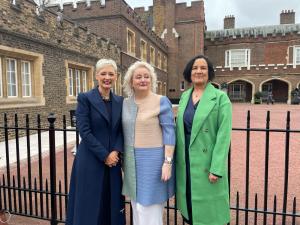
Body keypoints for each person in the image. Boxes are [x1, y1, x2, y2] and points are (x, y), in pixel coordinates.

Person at [66, 59, 125, 225]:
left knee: (111, 201)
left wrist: (115, 151)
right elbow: (84, 131)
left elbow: (122, 129)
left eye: (111, 74)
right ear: (96, 75)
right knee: (89, 202)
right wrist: (104, 155)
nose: (107, 77)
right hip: (91, 158)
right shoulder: (85, 98)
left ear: (116, 77)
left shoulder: (120, 101)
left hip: (113, 160)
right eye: (103, 73)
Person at [176, 55, 232, 225]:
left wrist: (216, 168)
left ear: (209, 73)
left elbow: (224, 136)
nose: (198, 71)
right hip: (185, 161)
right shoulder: (185, 97)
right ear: (189, 72)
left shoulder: (220, 98)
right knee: (190, 208)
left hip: (207, 164)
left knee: (210, 213)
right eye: (194, 68)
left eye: (203, 68)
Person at [122, 61, 175, 225]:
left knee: (149, 210)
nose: (143, 80)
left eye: (146, 77)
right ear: (131, 81)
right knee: (136, 207)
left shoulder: (161, 100)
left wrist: (167, 162)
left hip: (153, 162)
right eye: (138, 77)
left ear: (151, 80)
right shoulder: (125, 103)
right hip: (131, 162)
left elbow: (169, 132)